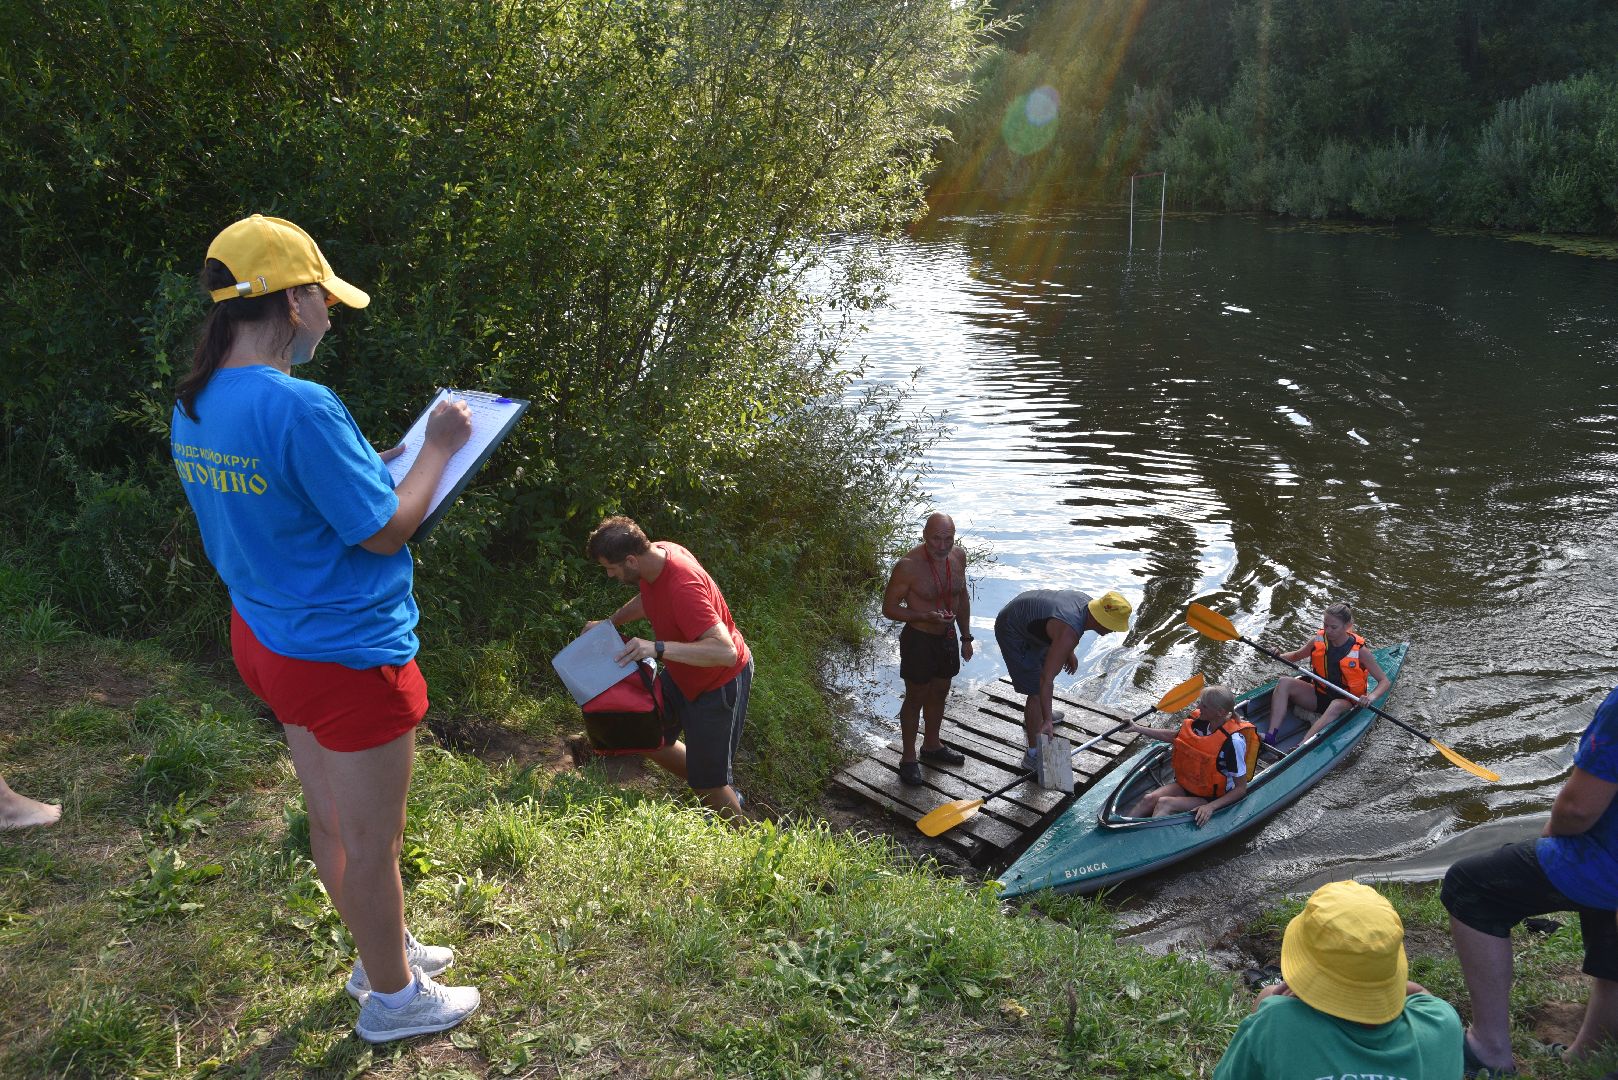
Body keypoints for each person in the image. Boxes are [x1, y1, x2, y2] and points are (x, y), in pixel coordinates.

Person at [170, 215, 479, 1043]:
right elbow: (383, 531)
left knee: (331, 820)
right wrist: (440, 448)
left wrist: (381, 462)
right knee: (372, 843)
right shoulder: (301, 404)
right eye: (325, 298)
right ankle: (394, 999)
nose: (333, 315)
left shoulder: (198, 401)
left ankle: (381, 951)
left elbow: (288, 497)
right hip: (345, 654)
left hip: (266, 640)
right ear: (293, 300)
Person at [1442, 683, 1618, 1076]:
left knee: (1469, 885)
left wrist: (1551, 834)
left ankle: (1489, 1048)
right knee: (1609, 921)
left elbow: (1576, 809)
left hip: (1608, 863)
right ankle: (1587, 1055)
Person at [586, 516, 752, 821]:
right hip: (682, 672)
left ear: (632, 560)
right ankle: (712, 782)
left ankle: (742, 834)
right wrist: (609, 625)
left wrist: (657, 648)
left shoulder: (683, 586)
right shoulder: (657, 555)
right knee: (644, 735)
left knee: (711, 783)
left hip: (719, 681)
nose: (609, 575)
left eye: (611, 568)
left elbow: (725, 651)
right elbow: (648, 598)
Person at [1213, 880, 1463, 1079]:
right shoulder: (1442, 1023)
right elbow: (1421, 995)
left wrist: (1269, 1005)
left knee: (1266, 993)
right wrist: (1373, 986)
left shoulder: (1274, 1023)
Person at [992, 589, 1131, 772]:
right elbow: (1046, 680)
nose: (1114, 629)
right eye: (1113, 625)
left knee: (1044, 672)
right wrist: (1048, 720)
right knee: (1035, 690)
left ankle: (1039, 716)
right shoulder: (1069, 631)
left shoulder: (1086, 605)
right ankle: (1032, 753)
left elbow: (1059, 626)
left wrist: (1068, 651)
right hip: (1013, 628)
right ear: (1101, 618)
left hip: (1032, 622)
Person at [881, 513, 972, 785]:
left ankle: (932, 745)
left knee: (940, 692)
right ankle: (908, 758)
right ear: (924, 535)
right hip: (919, 638)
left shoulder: (959, 557)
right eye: (936, 538)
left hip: (947, 637)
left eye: (948, 538)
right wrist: (923, 616)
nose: (942, 545)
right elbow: (888, 609)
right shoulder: (907, 566)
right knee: (916, 696)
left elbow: (962, 595)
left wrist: (965, 637)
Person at [1123, 685, 1254, 827]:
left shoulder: (1233, 742)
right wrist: (1137, 728)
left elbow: (1241, 789)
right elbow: (1175, 737)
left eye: (1204, 705)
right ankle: (1120, 831)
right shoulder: (1201, 722)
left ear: (1220, 712)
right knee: (1149, 798)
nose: (1198, 707)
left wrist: (1211, 807)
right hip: (1187, 785)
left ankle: (1143, 842)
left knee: (1164, 804)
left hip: (1210, 797)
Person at [1267, 602, 1391, 742]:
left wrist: (1370, 697)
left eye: (1334, 627)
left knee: (1336, 705)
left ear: (1347, 626)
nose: (1328, 631)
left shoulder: (1361, 652)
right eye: (1325, 625)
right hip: (1319, 695)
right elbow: (1296, 656)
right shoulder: (1318, 640)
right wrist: (1277, 656)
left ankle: (1301, 746)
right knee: (1284, 682)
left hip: (1346, 702)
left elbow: (1384, 681)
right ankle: (1271, 736)